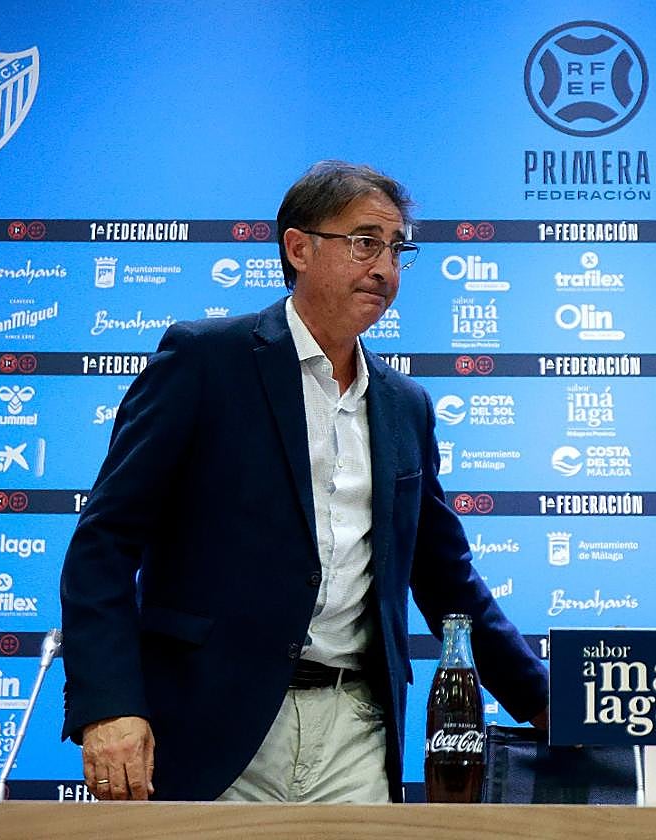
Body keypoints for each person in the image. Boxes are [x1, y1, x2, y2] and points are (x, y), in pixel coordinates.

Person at [59, 160, 548, 803]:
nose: (385, 268)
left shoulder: (406, 405)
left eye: (398, 249)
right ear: (299, 247)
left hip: (358, 728)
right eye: (365, 242)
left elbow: (445, 577)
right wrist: (109, 705)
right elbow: (105, 543)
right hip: (213, 721)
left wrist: (550, 706)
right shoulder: (205, 361)